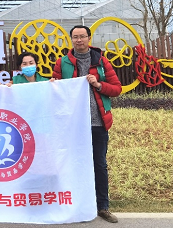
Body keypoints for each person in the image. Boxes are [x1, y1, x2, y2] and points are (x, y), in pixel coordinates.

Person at [52, 25, 121, 224]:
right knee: (72, 165)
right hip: (73, 125)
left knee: (99, 165)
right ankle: (75, 205)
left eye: (82, 36)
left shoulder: (101, 61)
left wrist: (98, 85)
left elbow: (117, 89)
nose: (79, 40)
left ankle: (103, 206)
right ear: (71, 39)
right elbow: (56, 91)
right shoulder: (62, 62)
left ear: (89, 38)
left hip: (97, 122)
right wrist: (53, 85)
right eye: (75, 37)